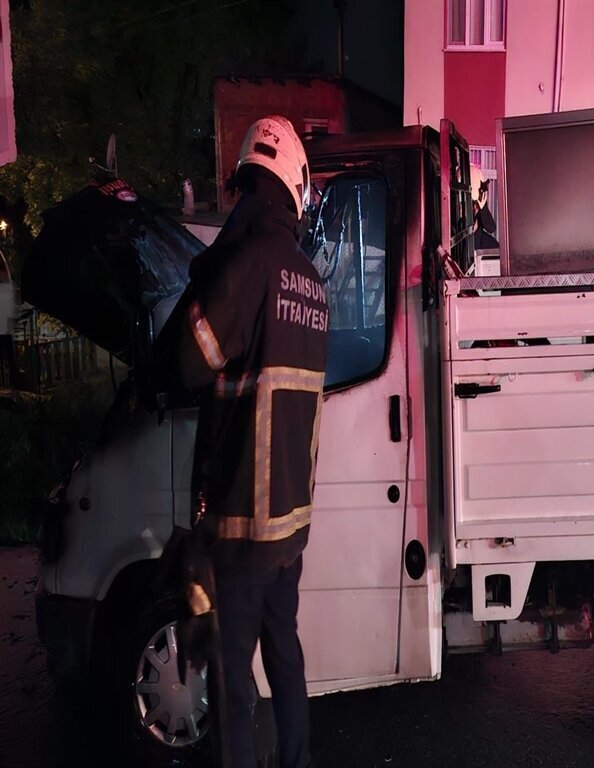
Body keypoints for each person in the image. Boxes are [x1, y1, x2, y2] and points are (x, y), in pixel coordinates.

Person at [157, 115, 328, 768]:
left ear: (252, 182)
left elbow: (189, 363)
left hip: (241, 531)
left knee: (232, 683)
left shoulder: (249, 265)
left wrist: (208, 278)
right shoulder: (311, 283)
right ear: (295, 188)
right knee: (285, 656)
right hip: (290, 530)